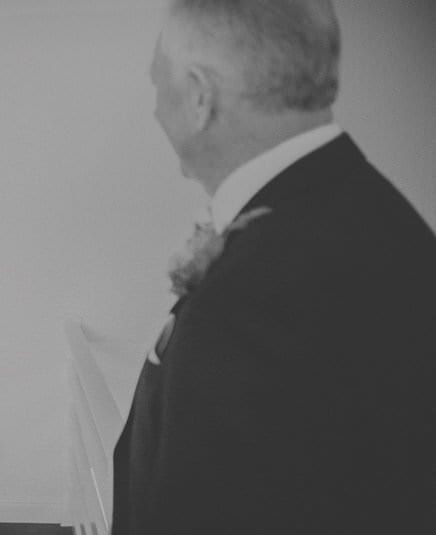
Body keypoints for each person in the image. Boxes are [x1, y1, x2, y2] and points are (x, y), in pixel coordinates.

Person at [112, 1, 436, 533]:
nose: (153, 109)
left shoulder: (253, 302)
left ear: (199, 97)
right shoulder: (365, 210)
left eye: (157, 83)